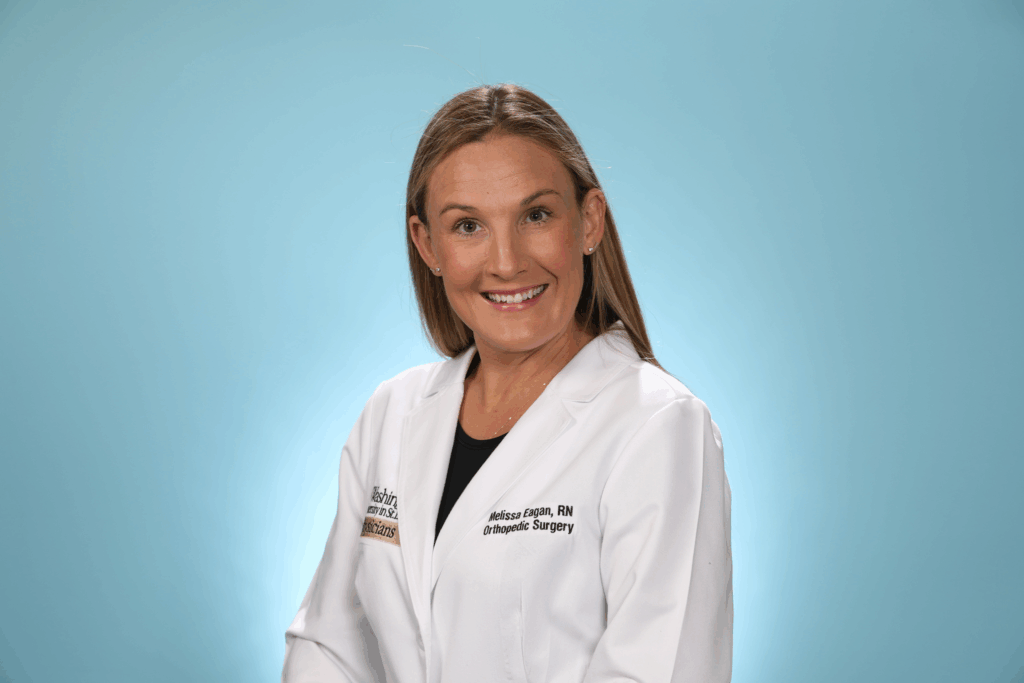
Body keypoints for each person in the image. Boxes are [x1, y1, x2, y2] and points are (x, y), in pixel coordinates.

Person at [282, 83, 732, 683]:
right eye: (467, 226)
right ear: (427, 245)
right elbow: (329, 648)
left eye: (536, 215)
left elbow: (659, 668)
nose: (506, 261)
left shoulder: (657, 427)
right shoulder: (391, 416)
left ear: (590, 220)